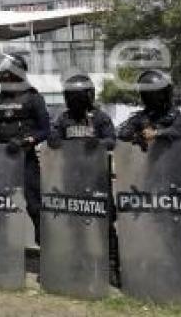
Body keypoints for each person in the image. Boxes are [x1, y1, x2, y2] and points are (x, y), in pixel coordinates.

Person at [0, 54, 50, 244]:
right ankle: (0, 246)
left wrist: (24, 141)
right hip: (0, 161)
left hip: (25, 160)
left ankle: (46, 246)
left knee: (34, 205)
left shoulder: (33, 98)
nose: (1, 78)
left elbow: (45, 130)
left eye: (5, 74)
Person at [47, 74, 119, 286]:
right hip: (72, 178)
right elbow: (53, 136)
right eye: (72, 96)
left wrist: (98, 143)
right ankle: (77, 262)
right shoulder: (63, 118)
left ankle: (112, 266)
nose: (75, 101)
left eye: (79, 96)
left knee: (104, 224)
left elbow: (112, 141)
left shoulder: (100, 117)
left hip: (96, 179)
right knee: (74, 223)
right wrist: (53, 139)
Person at [118, 70, 181, 150]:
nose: (159, 97)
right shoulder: (141, 117)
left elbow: (179, 130)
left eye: (160, 93)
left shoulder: (173, 114)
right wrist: (138, 135)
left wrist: (156, 133)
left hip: (171, 159)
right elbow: (123, 134)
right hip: (148, 160)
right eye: (151, 94)